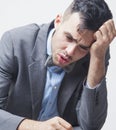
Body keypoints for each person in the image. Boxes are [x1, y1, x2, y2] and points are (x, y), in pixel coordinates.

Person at [0, 0, 115, 130]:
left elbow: (92, 126)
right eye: (69, 37)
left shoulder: (95, 55)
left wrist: (98, 58)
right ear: (58, 21)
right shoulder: (15, 42)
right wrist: (35, 127)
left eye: (82, 47)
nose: (70, 51)